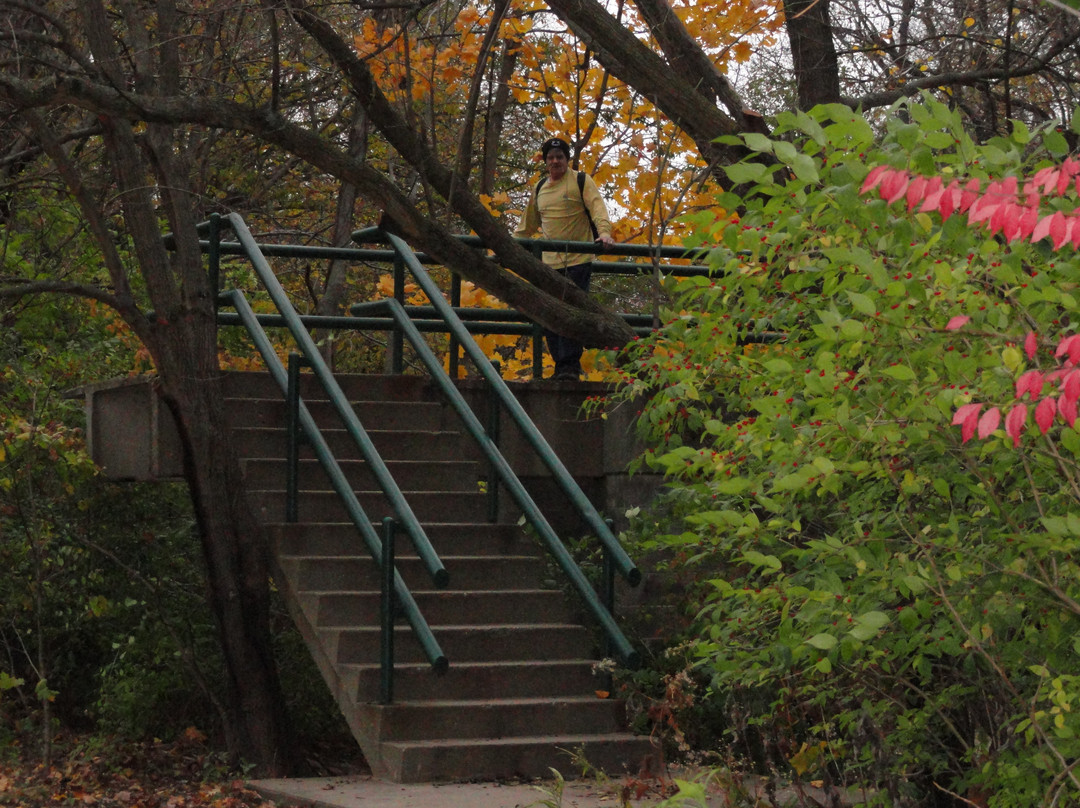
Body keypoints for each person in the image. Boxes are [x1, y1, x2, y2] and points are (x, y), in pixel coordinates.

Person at [514, 136, 614, 380]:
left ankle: (569, 367)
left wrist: (605, 234)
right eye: (551, 158)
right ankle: (560, 365)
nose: (555, 161)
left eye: (560, 157)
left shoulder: (581, 181)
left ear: (567, 160)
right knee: (549, 313)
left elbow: (597, 208)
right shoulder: (540, 188)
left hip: (578, 260)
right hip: (548, 265)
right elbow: (526, 226)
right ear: (546, 162)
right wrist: (503, 247)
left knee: (571, 312)